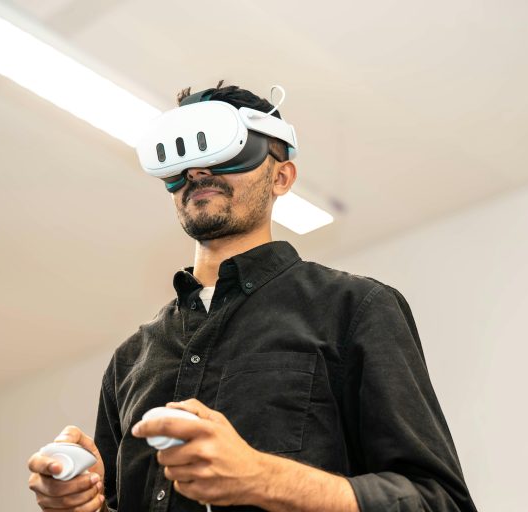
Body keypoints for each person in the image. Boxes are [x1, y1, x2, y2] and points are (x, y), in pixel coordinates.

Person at [28, 82, 478, 512]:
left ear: (281, 176)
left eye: (225, 150)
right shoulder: (131, 360)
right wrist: (81, 504)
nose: (197, 171)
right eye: (182, 157)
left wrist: (261, 477)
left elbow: (438, 501)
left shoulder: (354, 308)